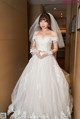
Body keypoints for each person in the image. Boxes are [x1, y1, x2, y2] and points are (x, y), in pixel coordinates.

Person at [7, 12, 73, 119]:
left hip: (48, 60)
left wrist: (47, 53)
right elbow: (32, 47)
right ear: (39, 22)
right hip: (36, 60)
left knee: (49, 84)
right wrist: (35, 51)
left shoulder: (53, 33)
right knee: (32, 83)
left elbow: (56, 48)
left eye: (45, 21)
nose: (43, 23)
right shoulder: (36, 33)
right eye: (41, 21)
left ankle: (48, 109)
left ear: (49, 22)